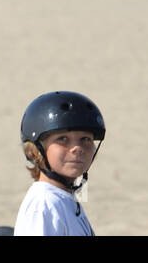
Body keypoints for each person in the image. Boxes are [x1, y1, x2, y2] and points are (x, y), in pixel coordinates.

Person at [14, 91, 106, 236]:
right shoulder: (44, 205)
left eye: (85, 139)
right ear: (35, 150)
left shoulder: (63, 200)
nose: (77, 148)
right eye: (62, 138)